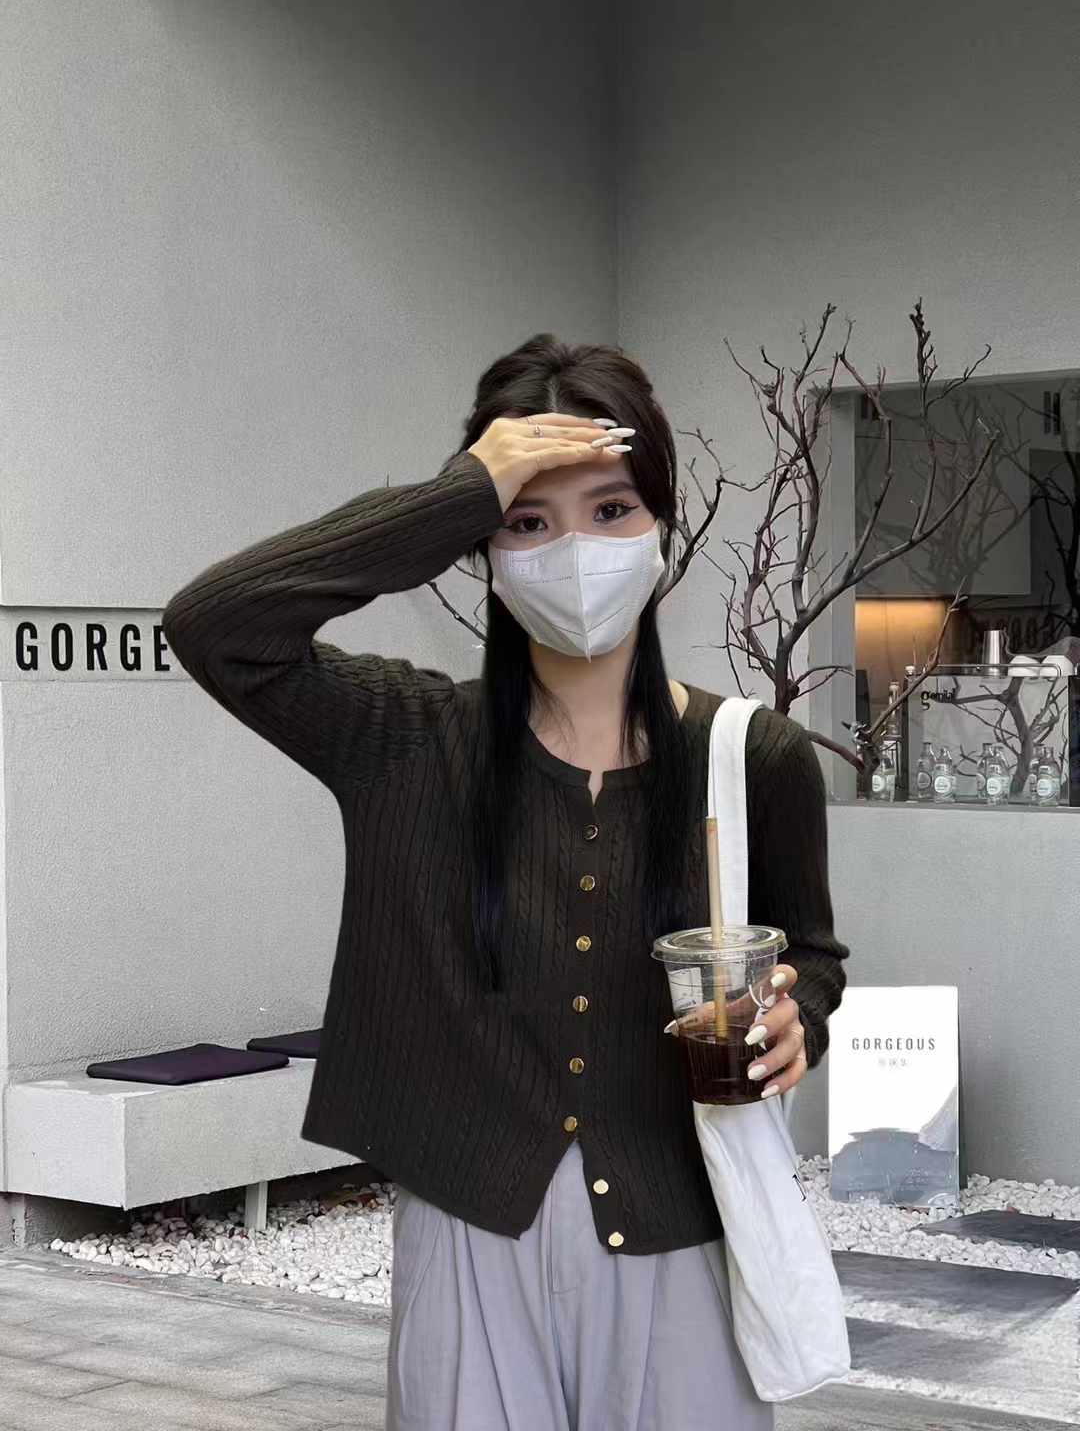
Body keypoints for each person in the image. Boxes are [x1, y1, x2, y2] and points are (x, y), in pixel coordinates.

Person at [161, 333, 850, 1430]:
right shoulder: (403, 738)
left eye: (613, 510)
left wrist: (792, 1014)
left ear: (663, 528)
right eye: (528, 521)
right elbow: (216, 624)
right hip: (468, 1229)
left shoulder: (752, 755)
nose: (575, 550)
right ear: (484, 550)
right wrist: (460, 493)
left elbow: (809, 954)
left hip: (681, 1225)